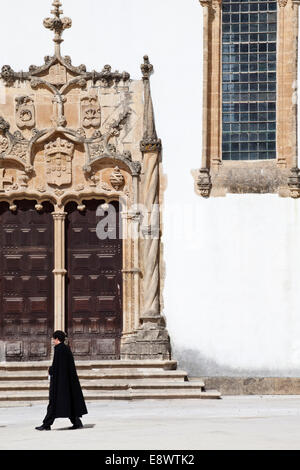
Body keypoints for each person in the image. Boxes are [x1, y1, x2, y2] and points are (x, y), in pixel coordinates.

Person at [35, 330, 88, 431]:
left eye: (54, 339)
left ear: (57, 339)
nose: (53, 341)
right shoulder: (66, 349)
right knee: (69, 401)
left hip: (59, 382)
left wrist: (50, 370)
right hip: (67, 381)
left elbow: (57, 366)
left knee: (53, 403)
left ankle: (46, 424)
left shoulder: (59, 349)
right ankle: (77, 422)